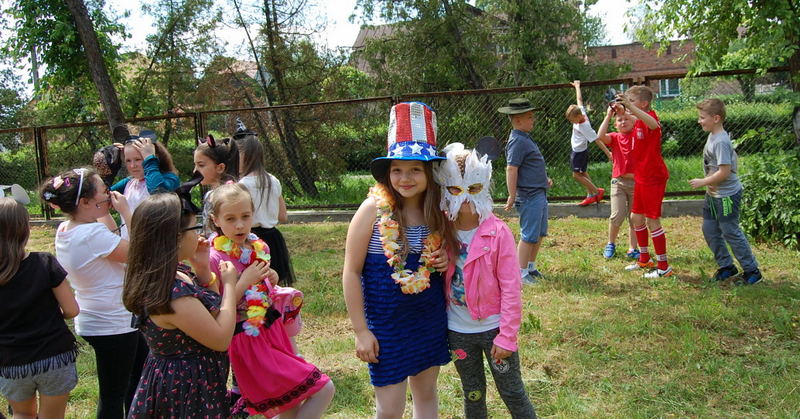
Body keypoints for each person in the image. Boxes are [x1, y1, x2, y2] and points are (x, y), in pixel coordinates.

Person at [342, 101, 454, 418]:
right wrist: (361, 331)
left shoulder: (438, 212)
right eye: (397, 170)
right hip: (386, 326)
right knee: (390, 409)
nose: (405, 177)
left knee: (426, 395)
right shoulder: (372, 210)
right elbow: (351, 272)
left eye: (415, 169)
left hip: (428, 319)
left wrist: (444, 259)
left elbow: (449, 257)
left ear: (430, 172)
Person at [122, 193, 264, 417]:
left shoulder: (176, 273)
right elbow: (220, 338)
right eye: (195, 228)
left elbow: (213, 311)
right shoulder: (172, 295)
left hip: (197, 383)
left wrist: (203, 271)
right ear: (175, 237)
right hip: (186, 390)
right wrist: (230, 284)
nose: (199, 235)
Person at [206, 183, 334, 418]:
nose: (239, 225)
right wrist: (244, 281)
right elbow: (217, 308)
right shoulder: (215, 257)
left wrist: (270, 278)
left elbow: (263, 288)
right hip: (248, 338)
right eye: (230, 218)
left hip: (273, 329)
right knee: (324, 388)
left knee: (290, 404)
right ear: (216, 219)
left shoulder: (258, 245)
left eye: (245, 216)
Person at [433, 143, 537, 419]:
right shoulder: (441, 230)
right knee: (473, 392)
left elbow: (511, 288)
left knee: (512, 391)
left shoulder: (498, 233)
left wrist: (507, 336)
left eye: (474, 187)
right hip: (458, 331)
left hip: (493, 329)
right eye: (456, 189)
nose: (466, 197)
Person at [40, 168, 148, 419]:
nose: (110, 194)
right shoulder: (91, 235)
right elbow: (140, 252)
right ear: (85, 202)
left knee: (138, 377)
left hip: (99, 317)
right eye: (104, 191)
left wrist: (107, 212)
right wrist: (127, 212)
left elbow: (111, 237)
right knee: (114, 395)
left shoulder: (68, 228)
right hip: (113, 322)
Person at [0, 197, 80, 419]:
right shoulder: (45, 262)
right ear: (25, 229)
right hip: (54, 356)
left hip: (11, 362)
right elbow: (72, 310)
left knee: (22, 414)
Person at [689, 98, 762, 284]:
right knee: (709, 229)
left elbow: (725, 171)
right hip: (713, 196)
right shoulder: (713, 135)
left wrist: (703, 182)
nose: (699, 121)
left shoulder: (721, 141)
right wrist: (709, 185)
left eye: (702, 117)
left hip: (726, 197)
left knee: (730, 231)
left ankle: (752, 271)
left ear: (716, 118)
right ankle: (727, 266)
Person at [618, 86, 674, 278]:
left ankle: (664, 267)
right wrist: (620, 108)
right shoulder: (639, 119)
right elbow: (631, 118)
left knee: (652, 220)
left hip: (653, 177)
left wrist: (630, 107)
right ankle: (644, 259)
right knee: (636, 217)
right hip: (641, 176)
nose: (629, 105)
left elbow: (654, 125)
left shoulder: (651, 118)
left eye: (632, 101)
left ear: (643, 103)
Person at [500, 97, 552, 284]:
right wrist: (512, 195)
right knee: (529, 235)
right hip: (529, 196)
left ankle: (530, 267)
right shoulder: (517, 141)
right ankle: (520, 273)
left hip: (539, 193)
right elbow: (511, 168)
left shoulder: (525, 138)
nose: (533, 120)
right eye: (529, 117)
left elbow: (530, 166)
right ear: (518, 120)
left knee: (539, 233)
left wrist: (544, 180)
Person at [237, 133, 296, 286]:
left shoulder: (242, 184)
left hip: (252, 240)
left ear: (245, 156)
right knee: (275, 285)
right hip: (274, 239)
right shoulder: (273, 180)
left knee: (255, 287)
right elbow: (283, 216)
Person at [104, 133, 180, 240]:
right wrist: (109, 171)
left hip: (157, 244)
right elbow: (102, 196)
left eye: (138, 159)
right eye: (128, 160)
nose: (132, 165)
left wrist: (149, 159)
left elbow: (158, 192)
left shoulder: (169, 178)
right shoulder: (129, 182)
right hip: (131, 244)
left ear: (154, 157)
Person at [597, 105, 641, 260]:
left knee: (635, 217)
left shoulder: (638, 135)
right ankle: (611, 244)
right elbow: (600, 136)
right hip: (619, 182)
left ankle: (632, 248)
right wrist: (609, 115)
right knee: (617, 215)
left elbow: (643, 122)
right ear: (615, 124)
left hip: (636, 183)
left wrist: (628, 109)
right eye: (620, 120)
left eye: (626, 119)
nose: (623, 122)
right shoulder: (615, 137)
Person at [566, 80, 607, 206]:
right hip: (577, 150)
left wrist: (608, 153)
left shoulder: (585, 127)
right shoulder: (581, 112)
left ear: (578, 117)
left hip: (579, 152)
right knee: (583, 173)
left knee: (576, 175)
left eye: (573, 120)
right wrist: (577, 86)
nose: (572, 122)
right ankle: (590, 195)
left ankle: (597, 192)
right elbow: (579, 100)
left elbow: (597, 140)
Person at [193, 134, 240, 234]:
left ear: (220, 168)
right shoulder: (210, 195)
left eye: (201, 165)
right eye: (195, 165)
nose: (195, 171)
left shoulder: (229, 196)